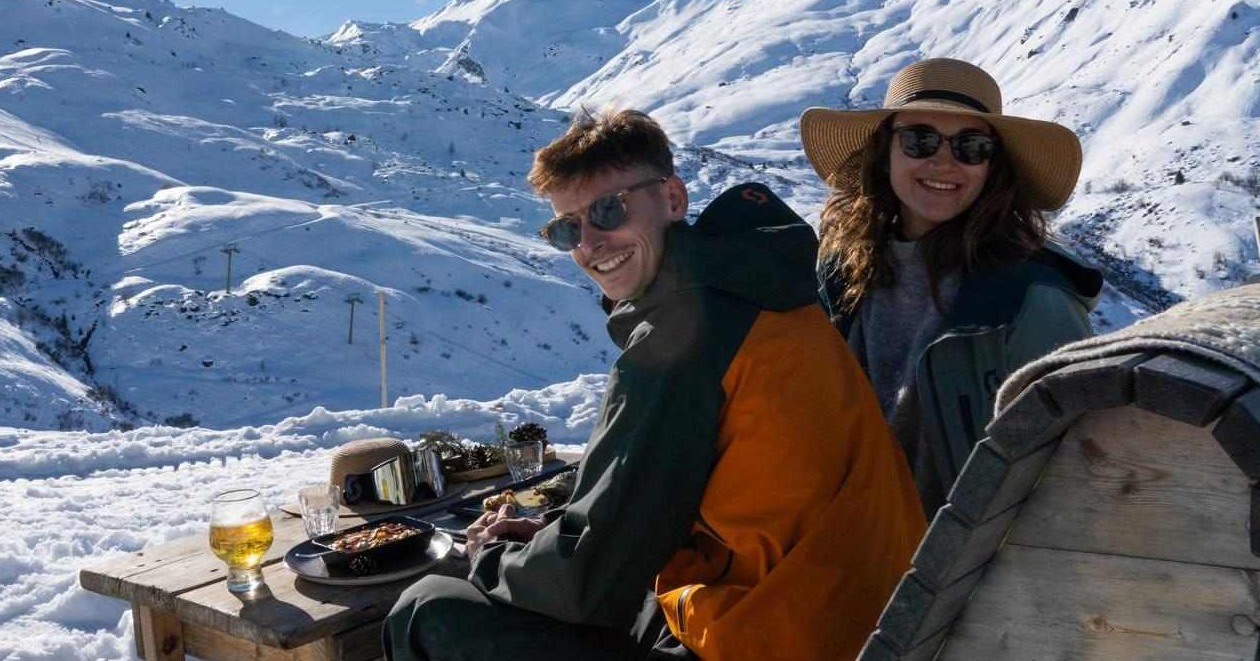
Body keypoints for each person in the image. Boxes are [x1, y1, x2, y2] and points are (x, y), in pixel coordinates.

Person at [384, 107, 924, 661]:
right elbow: (669, 511)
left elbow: (587, 584)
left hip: (773, 636)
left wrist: (490, 553)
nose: (590, 243)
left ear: (672, 198)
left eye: (608, 209)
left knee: (427, 607)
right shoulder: (765, 294)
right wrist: (553, 534)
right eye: (567, 228)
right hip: (855, 615)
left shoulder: (686, 338)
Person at [800, 57, 1102, 517]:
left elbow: (1073, 466)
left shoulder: (1033, 299)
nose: (943, 160)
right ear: (885, 153)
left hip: (957, 570)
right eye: (919, 140)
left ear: (993, 167)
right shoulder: (840, 273)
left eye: (971, 146)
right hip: (841, 549)